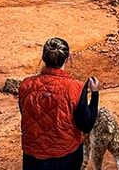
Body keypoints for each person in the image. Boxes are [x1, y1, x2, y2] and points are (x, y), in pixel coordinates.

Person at [19, 37, 99, 170]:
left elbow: (25, 113)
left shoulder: (25, 85)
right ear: (67, 59)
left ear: (43, 58)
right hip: (66, 156)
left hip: (32, 156)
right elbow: (86, 125)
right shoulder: (76, 88)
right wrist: (95, 94)